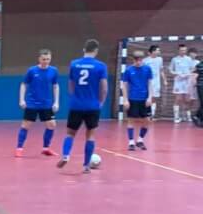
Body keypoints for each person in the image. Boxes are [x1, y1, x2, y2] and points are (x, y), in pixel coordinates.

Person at [58, 38, 109, 171]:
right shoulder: (101, 66)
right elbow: (104, 88)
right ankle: (86, 165)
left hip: (76, 104)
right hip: (93, 105)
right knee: (90, 135)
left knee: (70, 133)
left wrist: (74, 97)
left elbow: (70, 85)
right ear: (96, 51)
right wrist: (101, 102)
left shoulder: (74, 64)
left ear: (84, 50)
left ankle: (66, 155)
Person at [15, 50, 59, 157]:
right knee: (26, 125)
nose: (46, 61)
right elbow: (23, 84)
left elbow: (55, 86)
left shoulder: (53, 71)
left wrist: (56, 102)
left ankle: (46, 148)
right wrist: (22, 100)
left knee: (52, 125)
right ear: (39, 59)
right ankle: (19, 148)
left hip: (46, 104)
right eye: (44, 59)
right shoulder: (32, 70)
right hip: (32, 103)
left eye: (48, 59)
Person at [120, 46, 154, 151]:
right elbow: (124, 85)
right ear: (133, 60)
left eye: (140, 60)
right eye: (137, 60)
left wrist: (150, 97)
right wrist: (125, 99)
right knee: (131, 120)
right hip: (133, 99)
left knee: (147, 120)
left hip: (144, 99)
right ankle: (131, 142)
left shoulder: (147, 69)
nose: (139, 62)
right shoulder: (128, 70)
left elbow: (150, 84)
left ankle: (140, 140)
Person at [170, 42, 196, 123]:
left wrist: (188, 74)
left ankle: (187, 116)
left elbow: (193, 69)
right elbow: (171, 70)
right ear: (178, 50)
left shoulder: (189, 59)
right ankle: (176, 117)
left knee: (187, 99)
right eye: (181, 50)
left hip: (187, 81)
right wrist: (177, 73)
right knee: (178, 99)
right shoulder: (174, 59)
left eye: (184, 50)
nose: (183, 52)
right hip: (178, 81)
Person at [146, 42, 163, 118]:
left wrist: (164, 80)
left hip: (156, 82)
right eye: (157, 50)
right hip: (148, 81)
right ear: (153, 51)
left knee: (154, 97)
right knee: (147, 97)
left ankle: (152, 114)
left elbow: (161, 70)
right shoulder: (145, 60)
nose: (159, 51)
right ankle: (146, 113)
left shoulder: (160, 59)